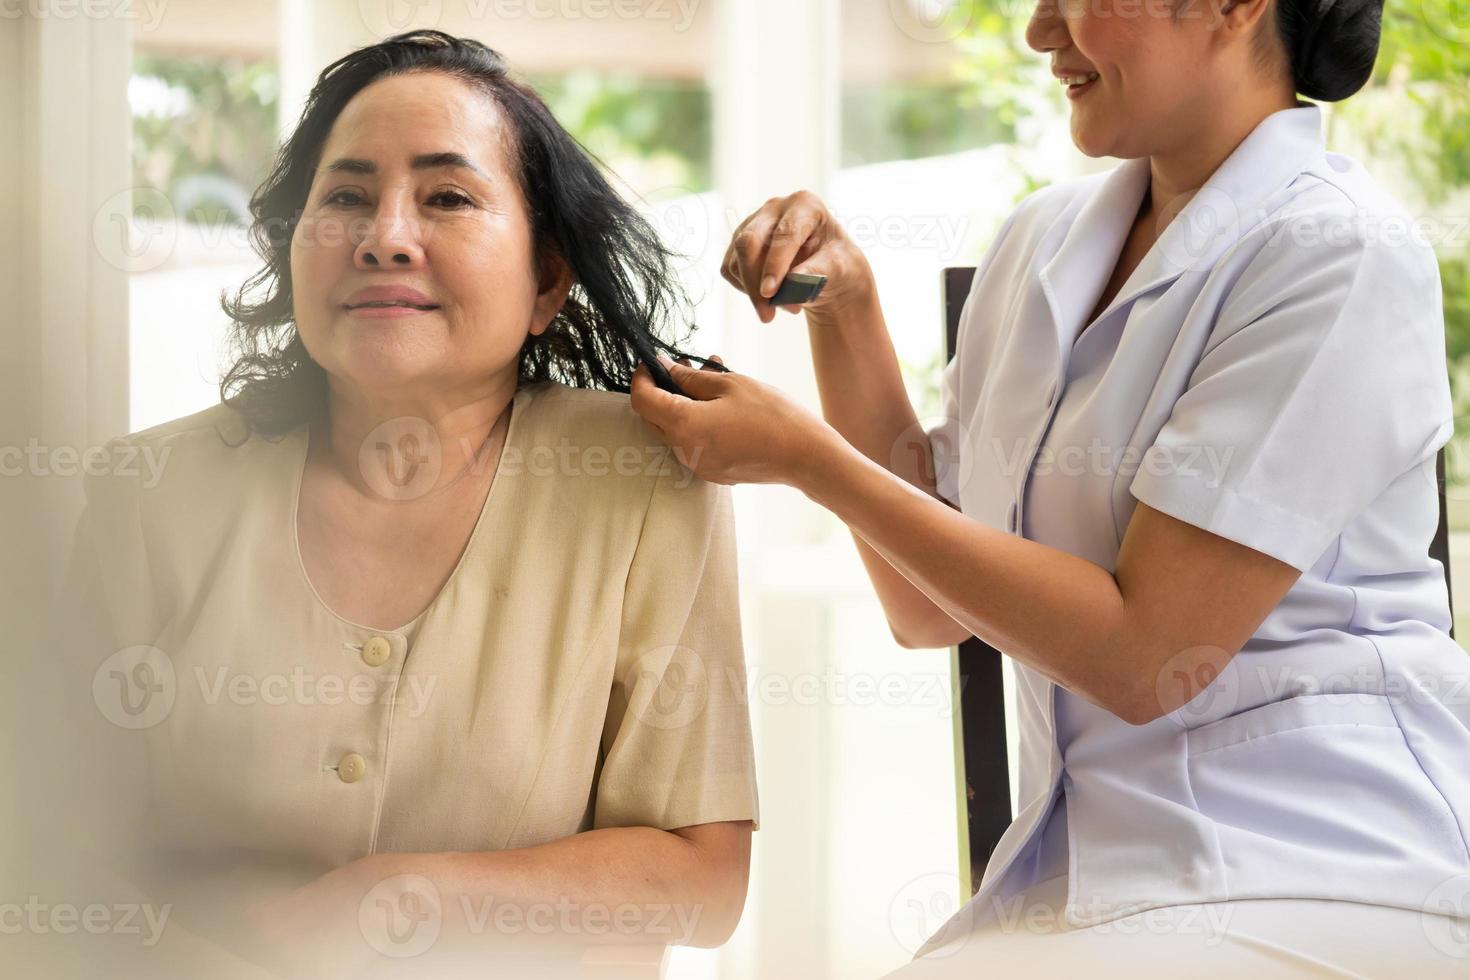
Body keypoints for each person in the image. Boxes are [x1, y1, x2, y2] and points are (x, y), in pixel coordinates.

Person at [629, 0, 1470, 974]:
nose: (1040, 31)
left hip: (1319, 868)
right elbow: (927, 604)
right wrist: (845, 311)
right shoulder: (1040, 243)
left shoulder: (1339, 256)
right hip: (1082, 880)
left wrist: (808, 458)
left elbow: (1148, 652)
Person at [47, 30, 757, 980]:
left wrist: (395, 902)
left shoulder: (643, 480)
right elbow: (60, 861)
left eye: (448, 197)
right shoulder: (148, 498)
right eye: (343, 197)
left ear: (549, 279)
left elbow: (701, 882)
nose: (383, 236)